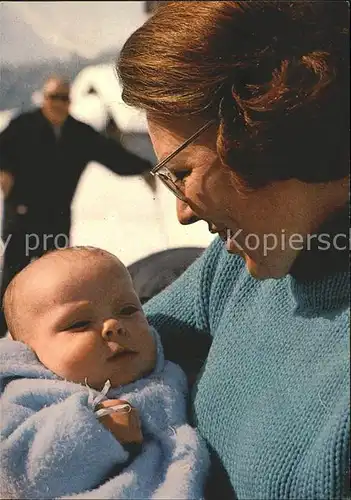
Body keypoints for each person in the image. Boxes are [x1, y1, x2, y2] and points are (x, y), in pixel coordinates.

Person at [117, 2, 350, 499]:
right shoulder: (235, 265)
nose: (182, 213)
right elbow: (75, 360)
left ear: (259, 130)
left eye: (181, 175)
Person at [0, 246, 209, 499]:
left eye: (128, 310)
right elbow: (14, 473)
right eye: (80, 324)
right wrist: (96, 430)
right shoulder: (25, 397)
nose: (114, 326)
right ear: (28, 351)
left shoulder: (171, 370)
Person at [0, 75, 155, 337]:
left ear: (70, 102)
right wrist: (4, 172)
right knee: (14, 279)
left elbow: (112, 155)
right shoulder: (23, 125)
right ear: (44, 99)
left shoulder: (78, 133)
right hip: (23, 216)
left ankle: (48, 332)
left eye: (64, 98)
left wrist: (144, 169)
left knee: (57, 280)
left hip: (56, 219)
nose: (58, 104)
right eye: (53, 98)